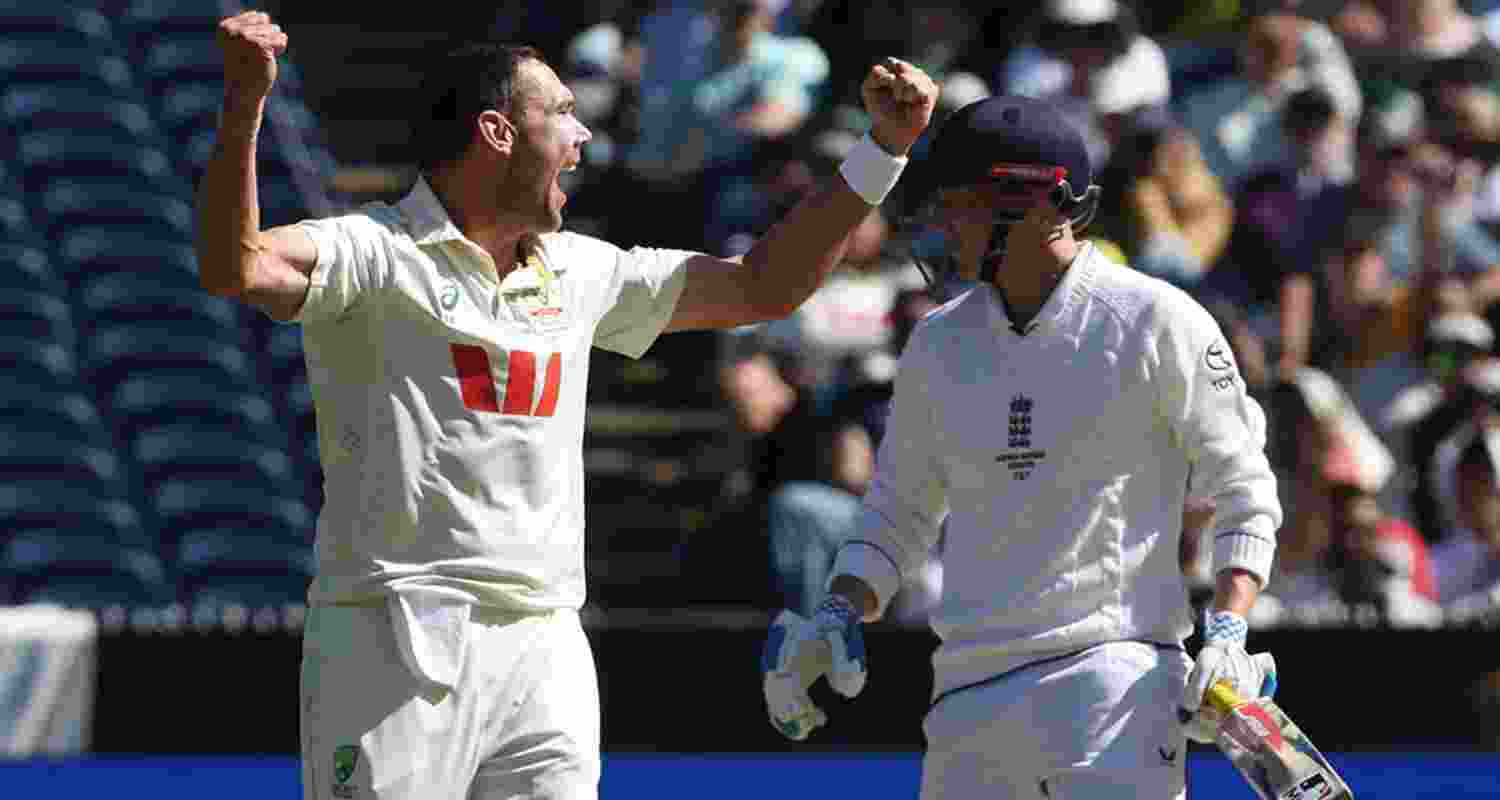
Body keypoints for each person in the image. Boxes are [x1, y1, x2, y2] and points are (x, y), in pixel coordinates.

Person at [198, 12, 938, 800]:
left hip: (547, 640)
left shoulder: (583, 272)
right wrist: (245, 105)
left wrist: (882, 151)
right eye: (559, 112)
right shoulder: (373, 252)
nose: (582, 134)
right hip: (395, 635)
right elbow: (234, 266)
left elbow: (764, 285)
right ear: (496, 131)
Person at [760, 94, 1283, 799]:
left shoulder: (1155, 318)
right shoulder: (938, 342)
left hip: (1113, 687)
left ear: (1032, 202)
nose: (940, 225)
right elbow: (897, 512)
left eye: (957, 204)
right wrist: (838, 613)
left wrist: (1226, 630)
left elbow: (1245, 489)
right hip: (966, 702)